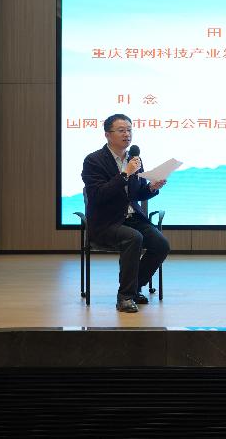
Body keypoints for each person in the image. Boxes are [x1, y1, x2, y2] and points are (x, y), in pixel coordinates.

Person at [81, 114, 170, 313]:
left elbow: (136, 194)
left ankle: (135, 287)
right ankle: (125, 297)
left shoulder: (134, 160)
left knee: (161, 245)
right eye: (121, 130)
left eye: (129, 130)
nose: (127, 134)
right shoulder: (94, 161)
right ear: (107, 134)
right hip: (106, 223)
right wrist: (124, 174)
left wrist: (152, 188)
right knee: (133, 238)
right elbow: (98, 195)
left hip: (132, 218)